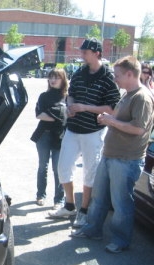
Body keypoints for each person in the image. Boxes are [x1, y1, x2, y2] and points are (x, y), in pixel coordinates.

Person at [71, 56, 154, 253]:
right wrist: (108, 119)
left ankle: (120, 240)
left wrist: (111, 121)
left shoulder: (141, 97)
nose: (114, 79)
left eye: (117, 75)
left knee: (121, 203)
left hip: (126, 159)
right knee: (99, 198)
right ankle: (92, 230)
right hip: (110, 155)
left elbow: (139, 129)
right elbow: (118, 119)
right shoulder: (127, 94)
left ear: (129, 74)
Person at [47, 38, 120, 228]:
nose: (81, 54)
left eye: (85, 52)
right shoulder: (80, 72)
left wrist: (85, 107)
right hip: (72, 129)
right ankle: (70, 205)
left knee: (90, 172)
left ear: (96, 53)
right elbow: (70, 93)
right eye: (82, 51)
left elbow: (112, 108)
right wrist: (70, 106)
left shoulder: (108, 77)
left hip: (93, 132)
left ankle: (85, 210)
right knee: (63, 167)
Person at [31, 68, 67, 208]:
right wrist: (60, 116)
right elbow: (39, 115)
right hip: (44, 134)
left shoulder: (68, 97)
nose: (53, 80)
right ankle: (41, 195)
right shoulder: (43, 96)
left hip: (60, 136)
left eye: (56, 77)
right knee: (42, 167)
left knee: (59, 169)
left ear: (63, 79)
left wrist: (52, 114)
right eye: (51, 77)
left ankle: (59, 200)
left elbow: (69, 115)